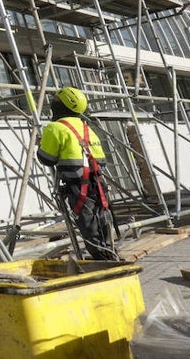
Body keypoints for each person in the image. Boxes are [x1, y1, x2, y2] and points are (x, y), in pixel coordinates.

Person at [37, 86, 118, 260]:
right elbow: (100, 159)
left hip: (78, 187)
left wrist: (42, 144)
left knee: (88, 225)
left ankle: (103, 260)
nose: (53, 103)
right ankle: (109, 252)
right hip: (99, 183)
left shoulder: (55, 128)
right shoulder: (86, 128)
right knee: (102, 220)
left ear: (62, 105)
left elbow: (46, 159)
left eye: (56, 100)